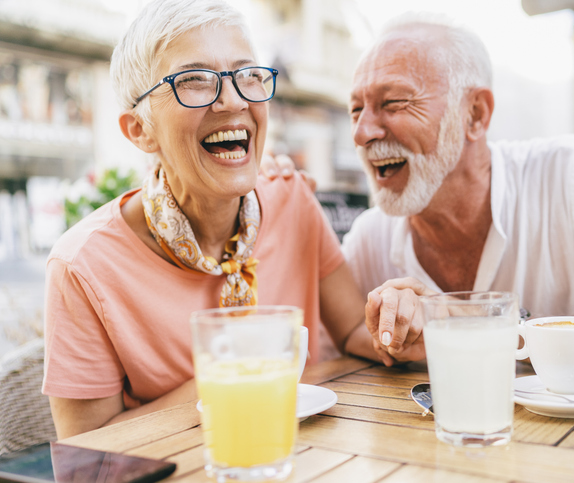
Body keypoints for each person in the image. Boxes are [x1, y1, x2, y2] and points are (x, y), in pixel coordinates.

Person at [264, 14, 574, 379]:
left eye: (394, 102)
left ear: (476, 115)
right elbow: (321, 358)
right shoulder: (368, 239)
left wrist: (494, 334)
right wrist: (265, 197)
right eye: (356, 109)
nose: (363, 132)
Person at [41, 0, 382, 440]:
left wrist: (405, 326)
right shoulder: (81, 266)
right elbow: (86, 448)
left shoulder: (292, 200)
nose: (233, 100)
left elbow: (356, 329)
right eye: (195, 81)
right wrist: (237, 374)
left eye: (248, 75)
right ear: (139, 130)